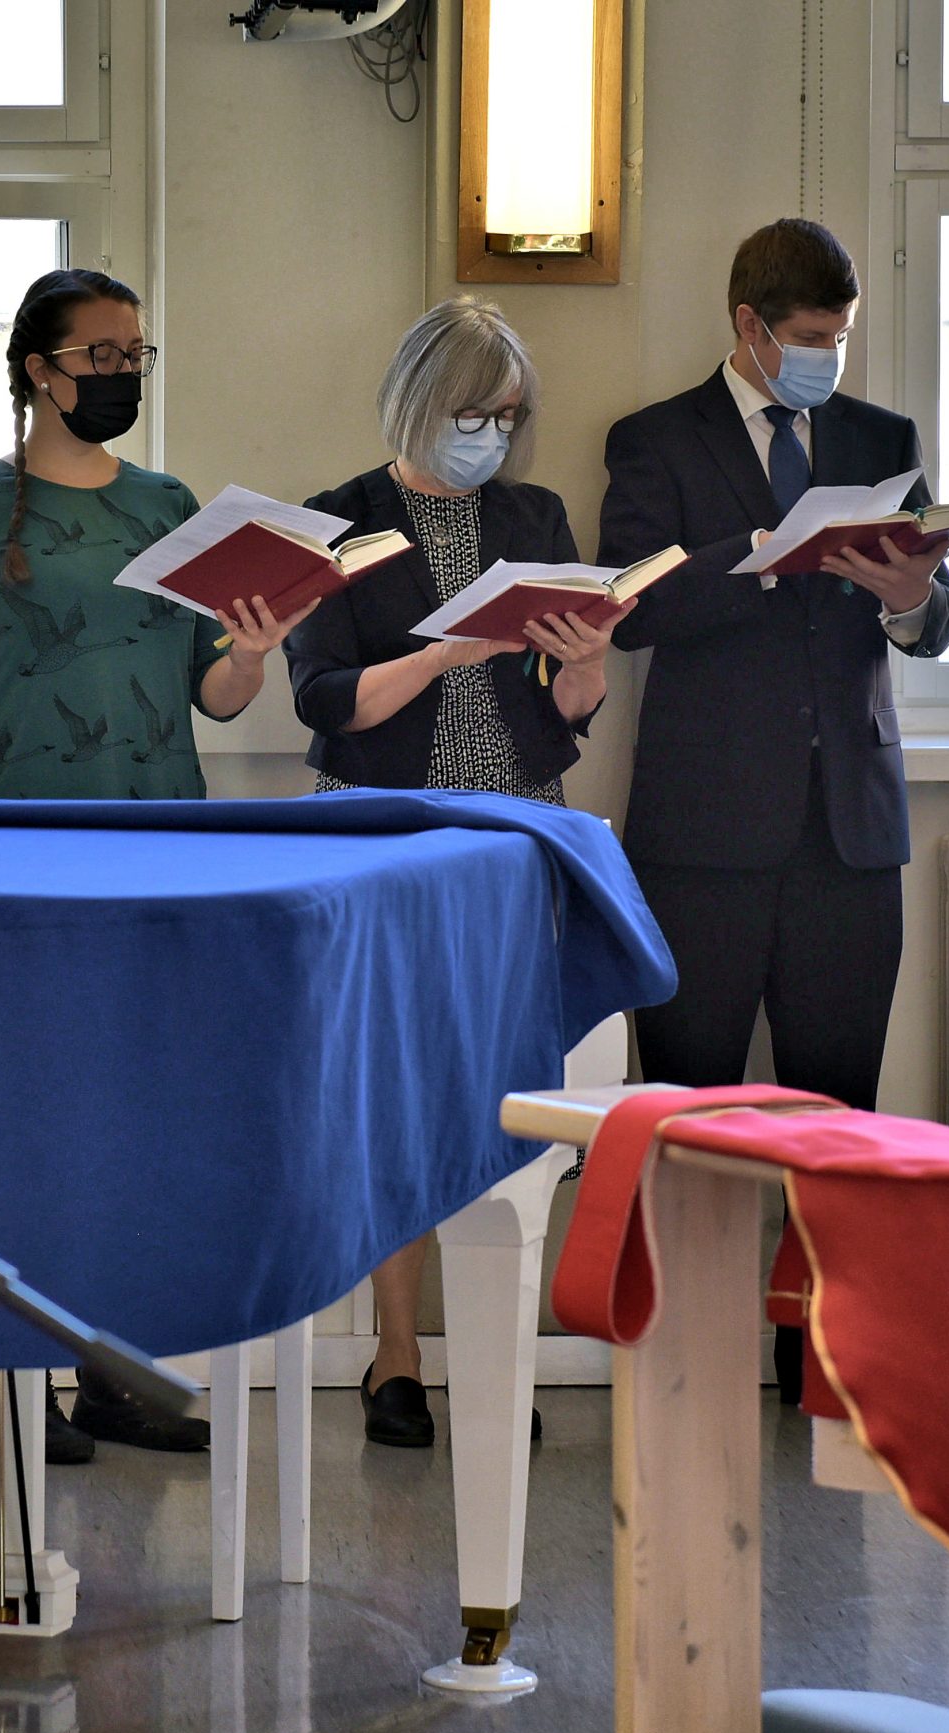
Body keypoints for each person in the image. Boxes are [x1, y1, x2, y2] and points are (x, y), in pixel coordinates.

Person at [0, 266, 309, 1457]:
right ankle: (13, 1382)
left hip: (159, 844)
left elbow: (211, 693)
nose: (123, 373)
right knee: (26, 1116)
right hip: (23, 851)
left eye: (136, 354)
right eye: (101, 356)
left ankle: (112, 1370)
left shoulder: (167, 503)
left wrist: (254, 649)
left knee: (136, 1116)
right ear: (39, 370)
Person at [597, 218, 949, 1400]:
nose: (827, 357)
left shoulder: (880, 438)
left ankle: (820, 1356)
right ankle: (686, 1362)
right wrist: (758, 549)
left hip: (849, 825)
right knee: (690, 1112)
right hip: (702, 828)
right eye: (810, 337)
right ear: (749, 325)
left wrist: (911, 597)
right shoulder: (654, 439)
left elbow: (936, 611)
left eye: (839, 337)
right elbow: (631, 609)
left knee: (838, 1115)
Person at [285, 296, 622, 1447]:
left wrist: (585, 662)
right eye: (473, 413)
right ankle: (395, 1353)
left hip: (513, 827)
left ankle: (495, 1354)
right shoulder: (340, 519)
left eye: (508, 415)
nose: (491, 435)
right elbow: (324, 698)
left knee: (506, 1090)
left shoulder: (532, 514)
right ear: (417, 402)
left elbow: (567, 710)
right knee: (397, 1089)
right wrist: (446, 652)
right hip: (383, 831)